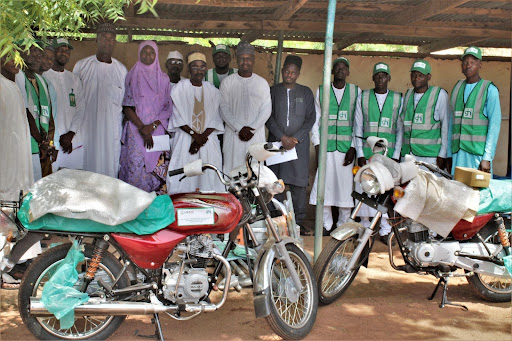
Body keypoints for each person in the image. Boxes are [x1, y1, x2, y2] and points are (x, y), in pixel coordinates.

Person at [309, 57, 360, 235]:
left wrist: (354, 147)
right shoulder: (322, 90)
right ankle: (325, 224)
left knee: (345, 188)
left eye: (343, 67)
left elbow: (358, 122)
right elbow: (315, 120)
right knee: (325, 186)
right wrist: (317, 144)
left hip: (346, 150)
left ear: (348, 72)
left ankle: (343, 225)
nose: (340, 70)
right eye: (336, 67)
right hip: (326, 148)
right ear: (332, 71)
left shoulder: (356, 91)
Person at [354, 62, 403, 243]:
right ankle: (366, 224)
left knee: (385, 190)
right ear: (373, 78)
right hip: (368, 151)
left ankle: (384, 228)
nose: (380, 79)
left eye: (384, 76)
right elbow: (357, 126)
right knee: (366, 187)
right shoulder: (364, 97)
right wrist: (359, 151)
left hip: (388, 155)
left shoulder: (398, 98)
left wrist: (396, 154)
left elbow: (400, 129)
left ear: (389, 78)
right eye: (377, 76)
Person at [266, 55, 315, 235]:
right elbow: (268, 116)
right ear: (282, 71)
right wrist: (281, 137)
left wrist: (295, 138)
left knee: (298, 185)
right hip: (277, 145)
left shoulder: (306, 92)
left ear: (298, 74)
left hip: (298, 147)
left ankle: (298, 223)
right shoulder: (273, 91)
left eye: (293, 72)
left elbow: (310, 119)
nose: (289, 74)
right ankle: (277, 222)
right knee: (276, 183)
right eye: (287, 71)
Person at [73, 22, 127, 178]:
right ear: (96, 40)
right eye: (104, 38)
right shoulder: (82, 66)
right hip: (87, 130)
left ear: (115, 42)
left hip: (112, 132)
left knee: (109, 172)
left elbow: (124, 105)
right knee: (87, 170)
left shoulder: (121, 70)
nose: (107, 42)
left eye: (111, 39)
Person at [167, 52, 225, 194]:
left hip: (207, 141)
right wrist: (195, 135)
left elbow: (216, 118)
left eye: (202, 67)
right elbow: (177, 116)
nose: (199, 71)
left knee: (209, 176)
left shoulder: (213, 91)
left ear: (206, 69)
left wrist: (199, 139)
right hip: (185, 140)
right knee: (183, 176)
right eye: (195, 67)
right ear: (189, 69)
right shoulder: (179, 88)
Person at [119, 41, 172, 194]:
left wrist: (152, 126)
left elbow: (167, 108)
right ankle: (135, 209)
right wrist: (142, 127)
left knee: (157, 173)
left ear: (156, 55)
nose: (148, 55)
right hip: (136, 131)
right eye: (144, 52)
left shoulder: (164, 79)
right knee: (135, 169)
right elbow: (127, 106)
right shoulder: (131, 76)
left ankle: (155, 211)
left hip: (157, 131)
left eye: (151, 52)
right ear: (139, 54)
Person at [448, 46, 501, 175]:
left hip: (477, 155)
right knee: (457, 191)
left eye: (473, 62)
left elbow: (494, 126)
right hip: (458, 153)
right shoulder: (457, 87)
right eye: (465, 62)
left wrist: (487, 158)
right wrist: (449, 154)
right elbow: (451, 122)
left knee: (478, 193)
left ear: (480, 64)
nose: (468, 66)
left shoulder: (489, 89)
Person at [220, 41, 271, 173]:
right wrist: (239, 128)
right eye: (242, 59)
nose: (245, 62)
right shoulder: (227, 82)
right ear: (236, 60)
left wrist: (252, 129)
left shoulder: (261, 83)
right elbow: (223, 109)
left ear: (253, 60)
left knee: (255, 172)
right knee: (232, 173)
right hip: (233, 136)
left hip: (256, 136)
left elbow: (266, 109)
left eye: (248, 58)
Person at [15, 42, 57, 181]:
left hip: (41, 149)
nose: (37, 57)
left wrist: (48, 143)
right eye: (32, 51)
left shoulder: (42, 81)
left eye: (40, 53)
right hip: (25, 148)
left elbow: (48, 119)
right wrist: (40, 141)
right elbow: (24, 112)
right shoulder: (18, 78)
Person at [43, 38, 86, 171]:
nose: (64, 53)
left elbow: (81, 108)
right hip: (53, 143)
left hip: (73, 141)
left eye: (67, 51)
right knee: (53, 183)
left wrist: (70, 134)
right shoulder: (44, 76)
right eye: (60, 50)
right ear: (53, 52)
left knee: (75, 182)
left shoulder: (74, 79)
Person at [400, 60, 450, 168]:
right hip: (408, 155)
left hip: (430, 156)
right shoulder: (408, 94)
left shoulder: (439, 95)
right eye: (413, 75)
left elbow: (446, 126)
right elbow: (402, 125)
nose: (416, 78)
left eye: (420, 75)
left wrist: (443, 154)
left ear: (429, 77)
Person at [0, 55, 34, 201]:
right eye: (9, 56)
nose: (15, 60)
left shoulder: (13, 85)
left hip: (18, 154)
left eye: (17, 56)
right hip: (6, 158)